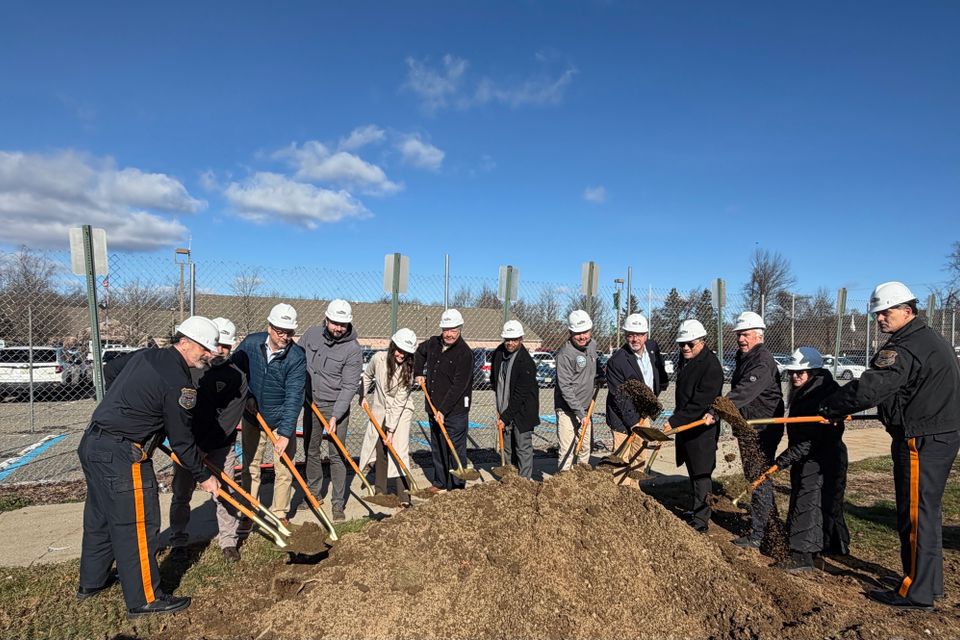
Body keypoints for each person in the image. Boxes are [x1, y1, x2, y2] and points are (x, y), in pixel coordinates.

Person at [820, 282, 960, 610]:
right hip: (940, 432)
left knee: (914, 512)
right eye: (877, 313)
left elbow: (871, 387)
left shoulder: (905, 346)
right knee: (926, 510)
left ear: (907, 311)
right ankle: (929, 583)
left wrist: (829, 407)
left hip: (921, 437)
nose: (880, 318)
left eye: (886, 312)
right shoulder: (927, 339)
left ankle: (917, 592)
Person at [77, 316, 220, 617]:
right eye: (205, 348)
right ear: (186, 343)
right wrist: (205, 477)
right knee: (137, 525)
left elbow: (110, 370)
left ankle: (93, 581)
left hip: (93, 443)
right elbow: (181, 441)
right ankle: (145, 599)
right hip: (123, 454)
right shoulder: (180, 384)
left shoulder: (146, 355)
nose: (209, 354)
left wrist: (133, 406)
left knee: (101, 516)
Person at [169, 318, 248, 563]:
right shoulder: (188, 368)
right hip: (187, 445)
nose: (220, 351)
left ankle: (228, 541)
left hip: (219, 446)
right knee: (181, 493)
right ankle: (178, 538)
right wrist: (190, 447)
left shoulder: (236, 377)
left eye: (225, 346)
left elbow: (227, 421)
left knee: (224, 493)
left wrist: (204, 448)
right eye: (216, 345)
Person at [704, 311, 784, 549]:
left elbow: (744, 392)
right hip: (749, 426)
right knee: (757, 476)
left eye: (746, 334)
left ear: (759, 335)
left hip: (762, 428)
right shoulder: (745, 356)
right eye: (739, 334)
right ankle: (770, 528)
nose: (741, 339)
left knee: (758, 478)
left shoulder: (762, 360)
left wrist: (717, 410)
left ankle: (760, 534)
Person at [770, 347, 845, 573]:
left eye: (801, 373)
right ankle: (828, 546)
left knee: (808, 501)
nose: (795, 376)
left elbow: (810, 439)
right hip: (809, 454)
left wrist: (781, 461)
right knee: (811, 499)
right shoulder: (805, 391)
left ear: (814, 372)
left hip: (821, 456)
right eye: (792, 372)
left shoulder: (822, 394)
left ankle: (802, 555)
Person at [231, 303, 306, 526]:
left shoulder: (296, 357)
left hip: (280, 419)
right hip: (253, 415)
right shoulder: (251, 344)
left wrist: (284, 433)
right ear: (269, 327)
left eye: (289, 332)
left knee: (283, 468)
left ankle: (280, 513)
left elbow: (295, 396)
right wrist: (247, 396)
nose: (284, 337)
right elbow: (236, 372)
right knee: (250, 466)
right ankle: (249, 510)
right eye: (279, 331)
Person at [301, 300, 363, 522]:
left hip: (335, 406)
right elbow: (298, 359)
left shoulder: (353, 349)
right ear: (326, 319)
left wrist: (336, 415)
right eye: (335, 323)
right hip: (310, 402)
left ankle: (338, 503)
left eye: (343, 324)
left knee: (337, 455)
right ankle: (313, 493)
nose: (338, 328)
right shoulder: (311, 334)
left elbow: (349, 387)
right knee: (311, 448)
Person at [668, 319, 724, 533]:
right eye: (682, 344)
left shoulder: (710, 366)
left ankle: (701, 520)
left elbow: (700, 402)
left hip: (702, 429)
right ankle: (696, 510)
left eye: (690, 344)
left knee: (701, 474)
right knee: (693, 470)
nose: (685, 348)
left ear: (701, 341)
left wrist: (673, 421)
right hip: (688, 427)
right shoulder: (689, 360)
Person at [414, 308, 474, 491]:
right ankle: (440, 482)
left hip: (454, 411)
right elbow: (418, 353)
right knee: (438, 445)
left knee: (455, 447)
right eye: (446, 329)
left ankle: (457, 486)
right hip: (433, 406)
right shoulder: (433, 343)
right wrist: (418, 372)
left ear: (460, 329)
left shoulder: (465, 354)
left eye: (453, 330)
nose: (448, 334)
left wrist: (443, 410)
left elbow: (458, 386)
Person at [358, 328, 418, 504]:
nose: (401, 355)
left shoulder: (409, 369)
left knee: (398, 450)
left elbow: (399, 402)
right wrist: (362, 396)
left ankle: (404, 496)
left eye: (406, 352)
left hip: (401, 411)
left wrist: (390, 430)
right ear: (393, 347)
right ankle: (380, 491)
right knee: (380, 449)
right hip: (380, 408)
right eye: (399, 350)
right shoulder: (378, 359)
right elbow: (367, 376)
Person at [605, 312, 669, 471]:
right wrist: (634, 423)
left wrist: (659, 389)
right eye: (631, 335)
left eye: (639, 335)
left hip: (643, 411)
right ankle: (620, 489)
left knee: (640, 454)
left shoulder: (653, 348)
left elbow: (659, 372)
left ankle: (635, 490)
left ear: (646, 335)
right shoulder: (617, 361)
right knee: (622, 455)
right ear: (626, 336)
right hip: (621, 414)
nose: (635, 339)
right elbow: (619, 396)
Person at [490, 320, 540, 479]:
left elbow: (520, 396)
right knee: (507, 447)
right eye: (507, 340)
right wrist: (501, 409)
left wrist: (505, 417)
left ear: (521, 339)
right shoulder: (498, 353)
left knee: (522, 446)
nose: (510, 343)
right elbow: (494, 378)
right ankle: (510, 477)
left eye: (514, 339)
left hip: (523, 411)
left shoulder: (526, 363)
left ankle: (524, 481)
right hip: (504, 408)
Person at [555, 310, 598, 471]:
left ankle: (582, 483)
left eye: (585, 332)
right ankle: (564, 484)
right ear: (570, 332)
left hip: (586, 408)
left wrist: (599, 374)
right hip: (567, 409)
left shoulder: (592, 345)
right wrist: (580, 413)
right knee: (567, 449)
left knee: (585, 447)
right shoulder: (565, 355)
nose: (582, 337)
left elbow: (593, 363)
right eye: (578, 333)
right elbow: (565, 388)